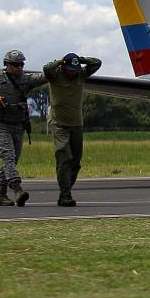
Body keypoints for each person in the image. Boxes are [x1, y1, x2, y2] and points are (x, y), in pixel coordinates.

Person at [0, 50, 48, 206]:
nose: (19, 68)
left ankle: (1, 195)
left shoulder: (25, 79)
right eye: (16, 64)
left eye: (21, 64)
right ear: (7, 64)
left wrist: (56, 66)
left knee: (11, 160)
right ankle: (17, 189)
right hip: (1, 124)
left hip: (18, 124)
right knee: (8, 156)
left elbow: (43, 77)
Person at [43, 52, 101, 207]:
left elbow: (97, 63)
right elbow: (46, 69)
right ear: (63, 66)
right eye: (70, 68)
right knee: (64, 157)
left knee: (75, 161)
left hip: (76, 123)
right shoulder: (55, 75)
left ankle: (67, 187)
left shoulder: (81, 74)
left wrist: (80, 60)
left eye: (75, 69)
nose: (73, 72)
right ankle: (65, 194)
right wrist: (61, 61)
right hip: (59, 123)